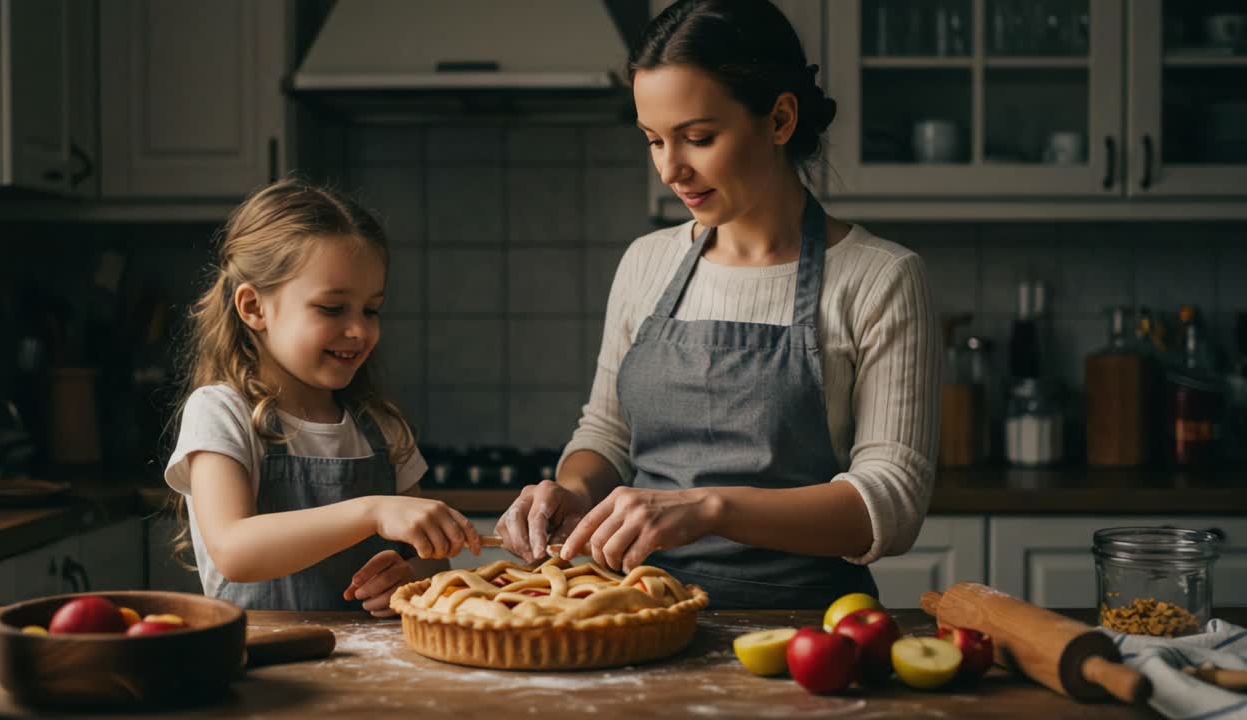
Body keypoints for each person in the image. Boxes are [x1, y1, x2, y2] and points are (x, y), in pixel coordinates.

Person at [497, 0, 942, 609]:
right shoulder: (646, 262)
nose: (672, 169)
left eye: (698, 138)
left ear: (780, 119)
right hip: (638, 609)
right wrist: (572, 489)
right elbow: (607, 432)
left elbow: (889, 503)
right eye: (654, 140)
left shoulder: (879, 277)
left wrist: (708, 508)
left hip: (805, 629)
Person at [164, 178, 480, 614]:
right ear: (254, 307)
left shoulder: (382, 428)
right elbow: (235, 550)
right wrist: (370, 511)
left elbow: (434, 565)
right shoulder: (221, 413)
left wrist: (411, 579)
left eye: (371, 309)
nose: (360, 330)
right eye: (332, 308)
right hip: (270, 674)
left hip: (380, 677)